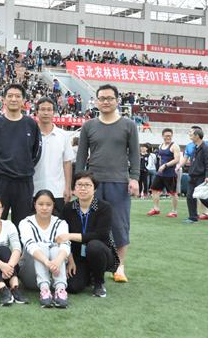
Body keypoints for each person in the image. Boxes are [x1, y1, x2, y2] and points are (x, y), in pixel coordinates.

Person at [75, 84, 139, 283]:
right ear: (96, 101)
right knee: (89, 225)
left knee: (119, 225)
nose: (106, 102)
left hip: (119, 183)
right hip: (92, 184)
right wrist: (78, 181)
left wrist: (134, 178)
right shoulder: (89, 126)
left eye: (110, 98)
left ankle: (119, 266)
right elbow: (81, 155)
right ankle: (91, 266)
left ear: (117, 101)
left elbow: (134, 154)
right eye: (102, 98)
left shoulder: (129, 125)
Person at [0, 83, 42, 227]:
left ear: (24, 101)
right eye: (10, 96)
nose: (14, 99)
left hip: (24, 182)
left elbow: (36, 152)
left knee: (23, 224)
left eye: (17, 96)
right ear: (3, 99)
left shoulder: (31, 124)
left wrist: (24, 167)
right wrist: (0, 168)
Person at [60, 172, 118, 298]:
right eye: (79, 185)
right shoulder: (68, 208)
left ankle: (99, 283)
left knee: (94, 246)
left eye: (87, 185)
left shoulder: (104, 207)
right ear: (74, 189)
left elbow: (101, 235)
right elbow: (62, 235)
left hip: (101, 252)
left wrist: (71, 236)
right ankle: (89, 275)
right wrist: (70, 260)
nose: (83, 188)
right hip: (78, 255)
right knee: (73, 287)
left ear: (94, 188)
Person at [18, 190, 71, 308]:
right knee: (41, 246)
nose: (44, 208)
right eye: (41, 204)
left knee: (57, 248)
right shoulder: (25, 223)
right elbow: (30, 245)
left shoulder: (61, 223)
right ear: (35, 205)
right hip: (31, 275)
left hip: (55, 272)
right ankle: (44, 290)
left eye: (48, 204)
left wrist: (56, 262)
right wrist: (47, 262)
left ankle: (60, 289)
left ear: (53, 205)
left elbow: (66, 245)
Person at [33, 96, 73, 216]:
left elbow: (67, 162)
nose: (46, 113)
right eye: (42, 109)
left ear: (54, 112)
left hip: (57, 191)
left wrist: (68, 187)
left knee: (57, 224)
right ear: (37, 112)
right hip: (33, 190)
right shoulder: (30, 134)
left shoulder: (63, 135)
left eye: (49, 109)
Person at [176, 126, 208, 220]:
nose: (190, 134)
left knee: (202, 195)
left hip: (202, 174)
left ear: (197, 134)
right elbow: (186, 158)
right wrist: (179, 166)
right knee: (190, 196)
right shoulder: (190, 146)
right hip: (193, 173)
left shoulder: (206, 145)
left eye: (192, 132)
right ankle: (194, 216)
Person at [147, 128, 181, 218]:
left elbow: (177, 159)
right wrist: (160, 166)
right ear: (163, 136)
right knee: (154, 189)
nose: (168, 137)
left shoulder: (175, 146)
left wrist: (165, 165)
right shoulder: (160, 145)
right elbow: (161, 158)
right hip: (160, 173)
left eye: (170, 136)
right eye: (166, 136)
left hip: (170, 174)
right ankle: (156, 209)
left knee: (173, 193)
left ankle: (174, 211)